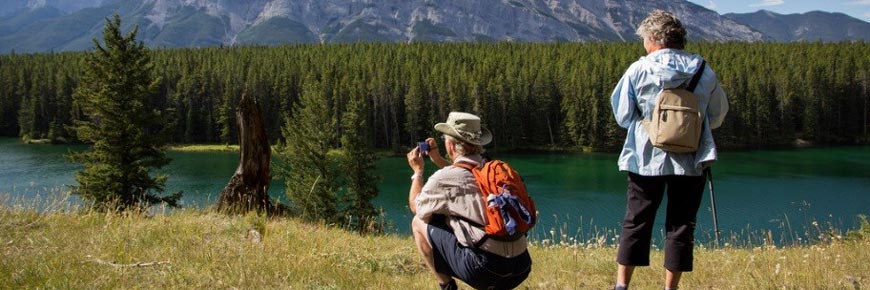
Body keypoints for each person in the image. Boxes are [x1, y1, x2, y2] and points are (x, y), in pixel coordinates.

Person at [609, 10, 729, 290]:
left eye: (643, 39)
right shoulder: (703, 69)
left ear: (653, 38)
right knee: (681, 225)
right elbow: (717, 114)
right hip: (691, 158)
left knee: (636, 220)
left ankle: (621, 286)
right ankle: (669, 288)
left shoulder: (639, 69)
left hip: (645, 158)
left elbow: (622, 115)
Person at [407, 112, 532, 290]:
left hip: (485, 270)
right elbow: (465, 175)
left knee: (418, 221)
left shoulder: (444, 179)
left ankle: (447, 286)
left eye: (445, 139)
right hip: (521, 266)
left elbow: (415, 206)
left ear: (450, 145)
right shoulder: (492, 169)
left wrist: (417, 172)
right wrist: (438, 159)